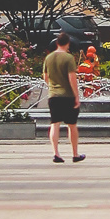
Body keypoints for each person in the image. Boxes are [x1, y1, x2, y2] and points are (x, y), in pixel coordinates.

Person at [41, 28, 82, 163]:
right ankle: (75, 154)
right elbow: (72, 78)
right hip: (68, 96)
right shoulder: (69, 58)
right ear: (68, 43)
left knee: (55, 123)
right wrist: (76, 95)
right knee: (72, 125)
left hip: (53, 95)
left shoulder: (48, 58)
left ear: (57, 43)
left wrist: (52, 86)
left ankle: (56, 153)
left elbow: (45, 77)